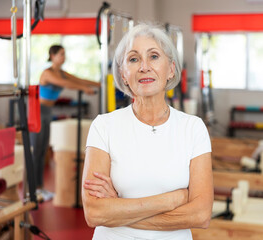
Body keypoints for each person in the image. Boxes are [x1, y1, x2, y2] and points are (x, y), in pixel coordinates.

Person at [82, 24, 213, 240]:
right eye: (133, 59)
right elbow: (94, 213)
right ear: (123, 74)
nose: (144, 67)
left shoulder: (193, 128)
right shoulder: (103, 126)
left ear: (171, 69)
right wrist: (172, 200)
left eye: (154, 56)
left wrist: (117, 208)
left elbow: (200, 214)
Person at [30, 45, 99, 200]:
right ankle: (33, 190)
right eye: (61, 54)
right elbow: (66, 84)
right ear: (52, 56)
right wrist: (84, 88)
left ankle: (39, 188)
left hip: (48, 112)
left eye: (64, 54)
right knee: (37, 151)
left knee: (43, 151)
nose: (63, 57)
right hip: (38, 111)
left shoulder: (61, 72)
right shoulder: (47, 73)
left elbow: (77, 79)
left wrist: (98, 84)